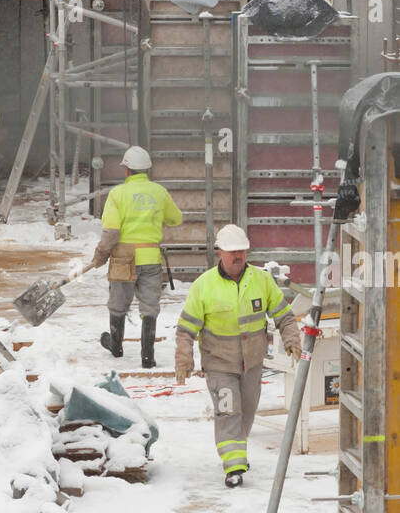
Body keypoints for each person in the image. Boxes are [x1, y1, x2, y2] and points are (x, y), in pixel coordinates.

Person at [175, 223, 301, 487]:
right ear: (219, 252)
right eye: (232, 252)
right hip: (219, 364)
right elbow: (186, 329)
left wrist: (291, 339)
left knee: (245, 412)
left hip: (252, 363)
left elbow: (284, 315)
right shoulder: (204, 286)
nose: (238, 257)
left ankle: (237, 454)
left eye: (242, 252)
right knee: (228, 412)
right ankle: (233, 467)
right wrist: (184, 357)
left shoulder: (262, 280)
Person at [87, 146, 182, 368]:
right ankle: (147, 356)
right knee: (149, 307)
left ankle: (116, 346)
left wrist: (100, 255)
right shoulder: (159, 192)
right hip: (150, 257)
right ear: (146, 169)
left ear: (127, 169)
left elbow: (111, 233)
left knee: (118, 304)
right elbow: (176, 219)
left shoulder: (117, 194)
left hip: (123, 258)